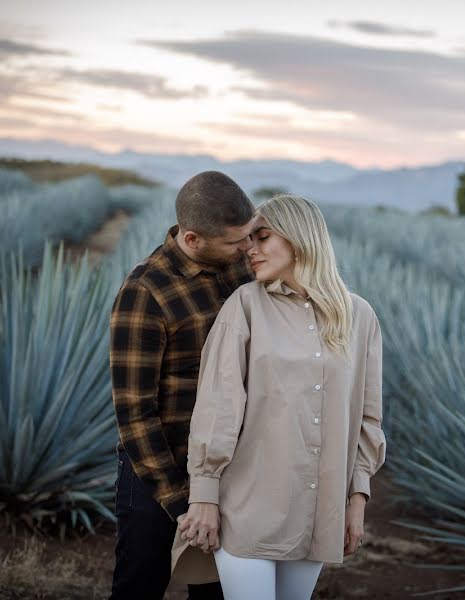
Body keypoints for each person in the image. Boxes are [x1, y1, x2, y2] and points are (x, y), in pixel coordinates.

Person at [177, 193, 387, 600]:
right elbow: (218, 405)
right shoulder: (246, 306)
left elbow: (368, 417)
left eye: (263, 237)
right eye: (248, 240)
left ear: (299, 238)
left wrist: (356, 501)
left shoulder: (359, 317)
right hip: (249, 509)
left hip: (317, 514)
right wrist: (203, 495)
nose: (250, 250)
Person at [108, 171, 257, 600]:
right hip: (158, 473)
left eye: (249, 236)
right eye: (235, 241)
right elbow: (135, 414)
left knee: (216, 593)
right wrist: (184, 502)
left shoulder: (239, 271)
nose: (247, 248)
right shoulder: (146, 294)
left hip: (228, 470)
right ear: (192, 239)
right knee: (139, 586)